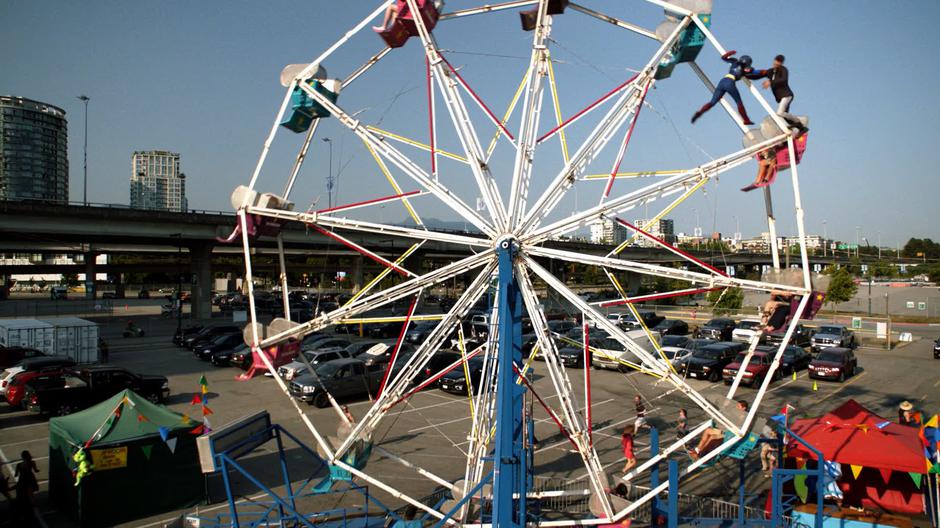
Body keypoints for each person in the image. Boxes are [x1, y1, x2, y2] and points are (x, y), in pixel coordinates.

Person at [691, 50, 763, 125]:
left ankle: (699, 113)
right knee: (739, 102)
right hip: (730, 83)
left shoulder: (735, 61)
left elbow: (723, 57)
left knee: (712, 102)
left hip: (722, 81)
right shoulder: (747, 69)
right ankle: (746, 120)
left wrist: (730, 53)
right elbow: (757, 72)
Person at [755, 54, 805, 131]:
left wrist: (770, 82)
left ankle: (798, 121)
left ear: (781, 63)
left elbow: (783, 80)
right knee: (784, 116)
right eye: (776, 61)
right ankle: (799, 128)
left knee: (779, 113)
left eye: (778, 62)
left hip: (787, 95)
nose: (776, 63)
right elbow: (758, 75)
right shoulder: (770, 71)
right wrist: (746, 74)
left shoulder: (783, 70)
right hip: (780, 98)